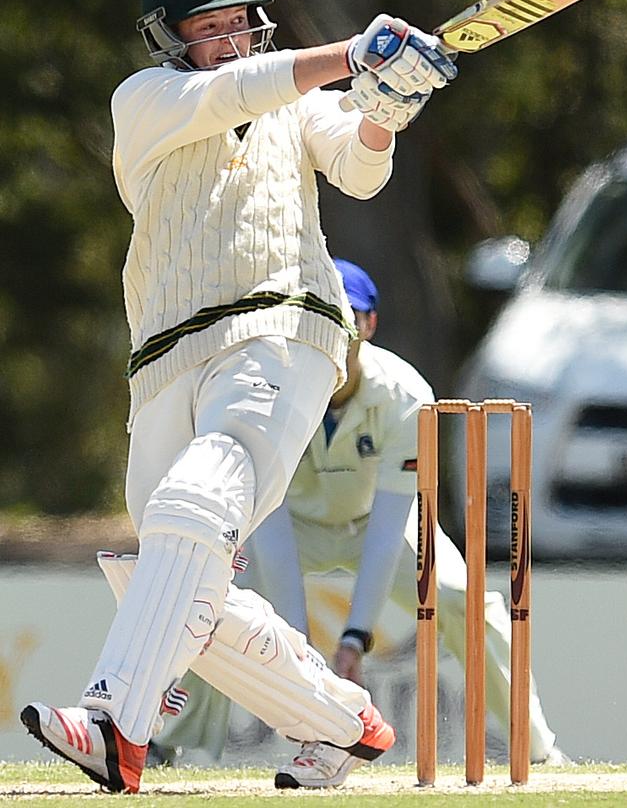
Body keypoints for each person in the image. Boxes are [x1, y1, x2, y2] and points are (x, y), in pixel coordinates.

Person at [20, 0, 458, 792]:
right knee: (166, 573)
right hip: (164, 355)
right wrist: (349, 54)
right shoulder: (146, 100)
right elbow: (232, 93)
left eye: (237, 22)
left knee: (199, 500)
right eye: (207, 27)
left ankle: (115, 722)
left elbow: (361, 172)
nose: (228, 39)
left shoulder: (300, 101)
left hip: (283, 325)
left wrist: (382, 107)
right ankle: (343, 724)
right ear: (170, 40)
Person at [152, 259, 567, 769]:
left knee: (468, 602)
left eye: (346, 322)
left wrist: (354, 640)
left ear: (369, 326)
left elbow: (392, 527)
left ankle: (539, 752)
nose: (334, 340)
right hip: (288, 527)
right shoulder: (268, 388)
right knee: (211, 601)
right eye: (320, 320)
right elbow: (270, 527)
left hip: (376, 523)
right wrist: (302, 659)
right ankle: (162, 742)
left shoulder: (405, 395)